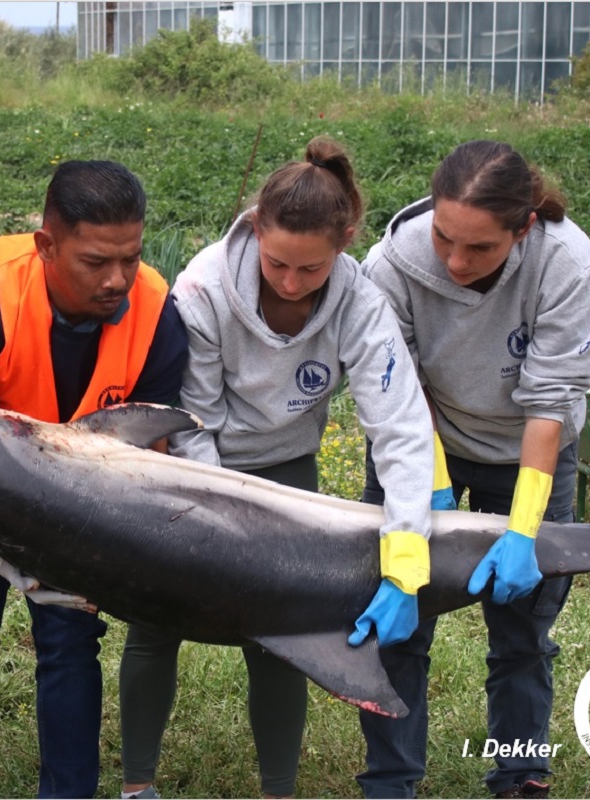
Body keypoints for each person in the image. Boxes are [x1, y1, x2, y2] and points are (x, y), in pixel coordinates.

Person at [118, 136, 435, 800]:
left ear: (346, 242)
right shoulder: (202, 286)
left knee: (284, 637)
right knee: (156, 623)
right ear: (256, 227)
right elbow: (193, 417)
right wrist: (220, 528)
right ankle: (137, 785)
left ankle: (278, 790)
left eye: (311, 270)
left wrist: (406, 553)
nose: (291, 282)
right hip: (198, 468)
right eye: (277, 264)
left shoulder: (361, 301)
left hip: (290, 464)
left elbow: (400, 427)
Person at [0, 159, 190, 799]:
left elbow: (144, 457)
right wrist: (2, 544)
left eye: (131, 257)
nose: (118, 279)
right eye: (96, 261)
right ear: (45, 246)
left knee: (71, 639)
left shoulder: (155, 310)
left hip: (89, 504)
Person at [356, 140, 590, 799]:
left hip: (527, 447)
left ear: (522, 230)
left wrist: (523, 530)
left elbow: (549, 408)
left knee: (524, 633)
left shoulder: (568, 267)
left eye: (480, 249)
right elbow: (397, 388)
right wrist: (429, 485)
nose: (456, 261)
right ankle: (390, 780)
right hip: (421, 439)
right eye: (444, 239)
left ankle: (519, 772)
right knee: (399, 614)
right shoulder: (390, 264)